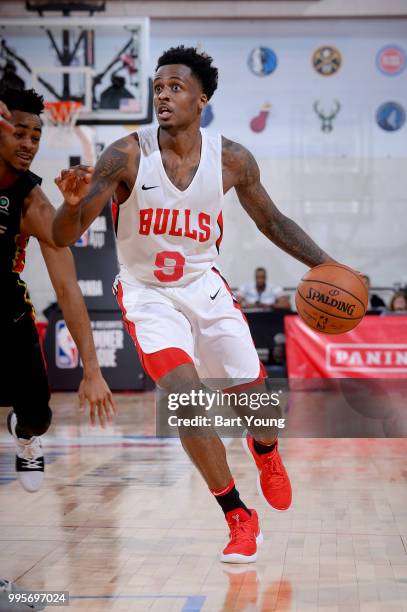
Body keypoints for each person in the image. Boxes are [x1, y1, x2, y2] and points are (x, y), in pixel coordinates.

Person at [52, 46, 339, 563]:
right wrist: (71, 208)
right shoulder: (126, 155)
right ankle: (237, 515)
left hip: (205, 286)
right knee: (186, 397)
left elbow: (272, 222)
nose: (163, 95)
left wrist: (326, 265)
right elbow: (62, 234)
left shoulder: (231, 159)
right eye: (158, 87)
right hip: (147, 294)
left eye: (176, 87)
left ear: (201, 99)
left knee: (254, 398)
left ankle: (266, 451)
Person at [0, 90, 116, 494]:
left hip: (9, 312)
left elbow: (67, 289)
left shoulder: (31, 200)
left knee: (39, 416)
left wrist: (92, 369)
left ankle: (25, 432)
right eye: (19, 133)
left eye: (36, 135)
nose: (29, 144)